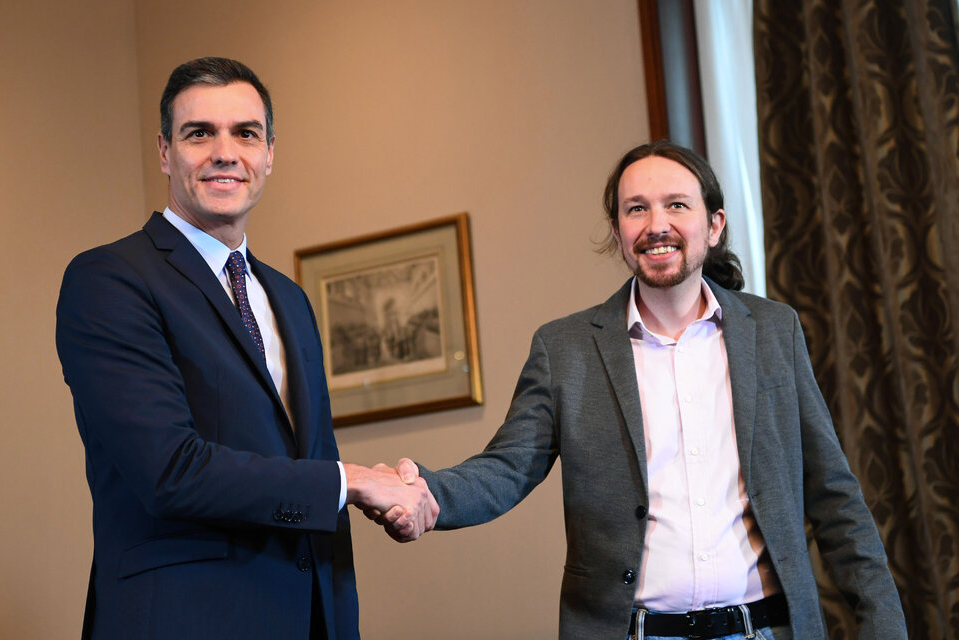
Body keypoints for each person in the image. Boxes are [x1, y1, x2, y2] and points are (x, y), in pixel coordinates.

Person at [372, 141, 906, 639]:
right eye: (636, 209)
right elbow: (507, 468)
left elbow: (835, 496)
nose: (657, 225)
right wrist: (428, 494)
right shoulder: (566, 349)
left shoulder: (773, 332)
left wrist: (884, 626)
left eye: (677, 205)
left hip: (766, 628)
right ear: (617, 228)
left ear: (713, 224)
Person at [56, 57, 438, 640]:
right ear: (164, 151)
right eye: (199, 133)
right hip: (184, 620)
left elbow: (303, 459)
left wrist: (383, 487)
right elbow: (170, 470)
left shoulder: (288, 298)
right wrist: (355, 481)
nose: (225, 152)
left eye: (246, 133)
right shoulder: (109, 279)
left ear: (269, 154)